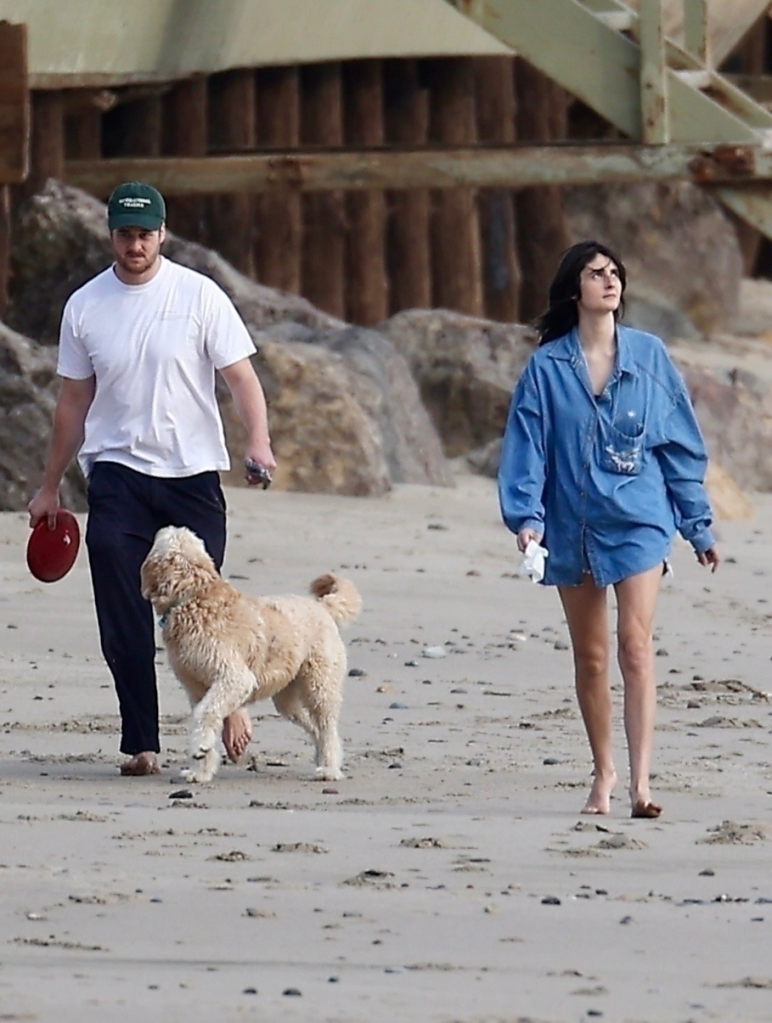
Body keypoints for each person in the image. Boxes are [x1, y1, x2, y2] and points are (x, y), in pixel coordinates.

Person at [28, 181, 276, 777]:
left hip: (191, 475)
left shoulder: (199, 296)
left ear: (162, 233)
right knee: (122, 613)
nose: (134, 244)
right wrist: (49, 483)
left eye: (145, 234)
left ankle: (229, 700)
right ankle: (142, 742)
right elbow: (72, 402)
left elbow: (241, 378)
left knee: (200, 612)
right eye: (124, 234)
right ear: (110, 235)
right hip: (116, 473)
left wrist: (258, 442)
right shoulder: (85, 306)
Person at [498, 240, 720, 819]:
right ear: (576, 289)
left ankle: (642, 783)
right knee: (592, 658)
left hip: (641, 520)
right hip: (571, 525)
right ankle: (604, 774)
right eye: (597, 274)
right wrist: (527, 519)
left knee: (635, 647)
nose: (610, 281)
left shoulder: (649, 356)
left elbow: (679, 447)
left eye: (615, 273)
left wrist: (698, 528)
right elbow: (527, 449)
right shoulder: (546, 368)